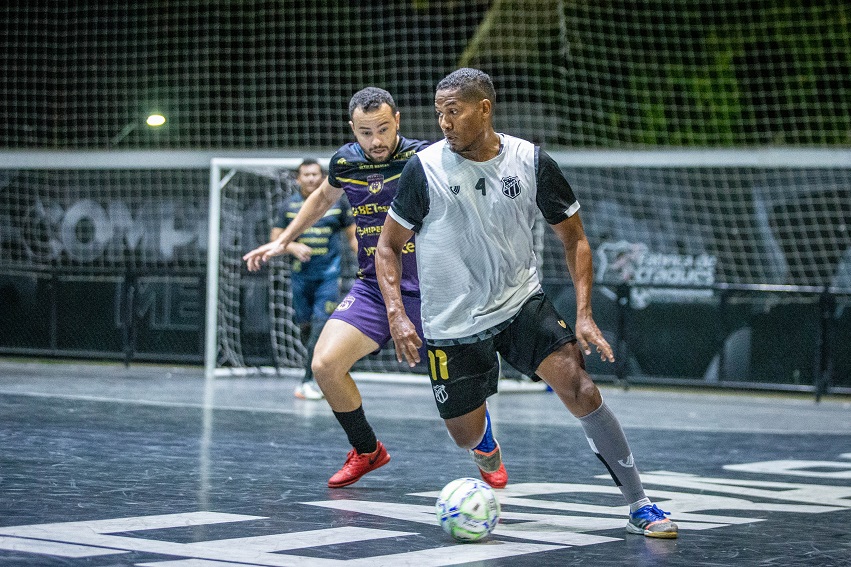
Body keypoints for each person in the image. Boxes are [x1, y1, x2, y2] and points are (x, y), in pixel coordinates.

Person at [375, 68, 678, 538]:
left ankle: (640, 503)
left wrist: (583, 314)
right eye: (439, 115)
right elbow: (388, 246)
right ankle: (485, 441)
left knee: (581, 388)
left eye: (453, 112)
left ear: (484, 108)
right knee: (465, 435)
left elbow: (574, 238)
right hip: (452, 323)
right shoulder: (425, 168)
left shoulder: (531, 161)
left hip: (520, 302)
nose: (444, 123)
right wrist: (397, 314)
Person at [245, 87, 490, 488]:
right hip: (374, 288)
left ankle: (484, 443)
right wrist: (282, 240)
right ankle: (366, 449)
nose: (375, 141)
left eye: (382, 129)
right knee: (324, 365)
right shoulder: (345, 161)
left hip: (433, 291)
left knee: (458, 401)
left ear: (398, 120)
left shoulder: (425, 158)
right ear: (352, 130)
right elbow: (323, 199)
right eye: (364, 132)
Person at [269, 158, 357, 400]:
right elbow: (275, 240)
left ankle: (308, 380)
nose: (310, 178)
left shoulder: (338, 204)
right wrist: (293, 246)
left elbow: (353, 238)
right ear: (298, 179)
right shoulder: (288, 206)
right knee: (306, 327)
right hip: (300, 277)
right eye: (305, 175)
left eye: (315, 174)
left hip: (328, 277)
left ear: (321, 177)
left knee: (320, 326)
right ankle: (315, 369)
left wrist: (370, 262)